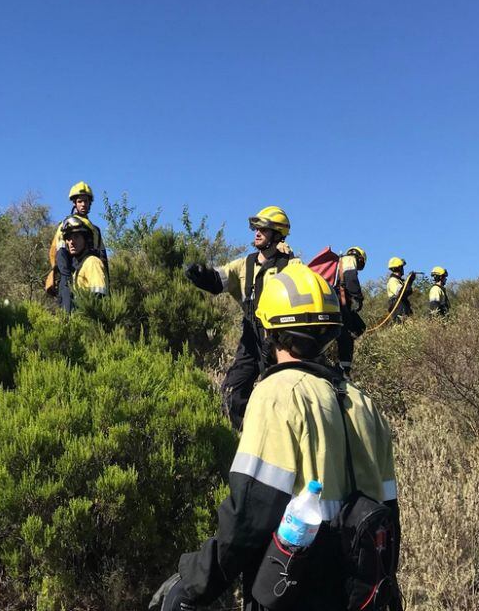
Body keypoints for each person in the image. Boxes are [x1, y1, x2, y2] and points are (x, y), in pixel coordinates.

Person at [151, 264, 400, 611]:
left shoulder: (277, 393)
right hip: (363, 592)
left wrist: (193, 583)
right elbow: (389, 512)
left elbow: (250, 516)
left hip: (299, 591)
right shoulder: (363, 402)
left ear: (268, 329)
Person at [184, 206, 298, 430]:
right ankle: (240, 437)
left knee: (279, 398)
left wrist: (291, 258)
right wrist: (202, 276)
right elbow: (219, 280)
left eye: (263, 229)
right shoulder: (243, 264)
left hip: (280, 341)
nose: (256, 233)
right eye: (255, 228)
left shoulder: (292, 266)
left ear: (277, 235)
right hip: (250, 338)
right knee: (231, 393)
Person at [48, 181, 107, 294]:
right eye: (80, 201)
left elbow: (103, 259)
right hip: (73, 274)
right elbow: (61, 254)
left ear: (90, 203)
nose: (83, 204)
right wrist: (66, 283)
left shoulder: (96, 230)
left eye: (86, 201)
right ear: (74, 203)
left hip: (93, 272)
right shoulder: (66, 225)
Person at [56, 215, 108, 311]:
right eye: (68, 238)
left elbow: (98, 300)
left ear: (86, 239)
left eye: (76, 237)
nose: (71, 242)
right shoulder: (78, 268)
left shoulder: (92, 262)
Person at [336, 246, 367, 376]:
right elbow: (351, 279)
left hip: (336, 300)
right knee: (348, 333)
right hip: (339, 301)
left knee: (355, 328)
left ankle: (341, 365)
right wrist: (358, 298)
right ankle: (344, 370)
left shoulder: (339, 262)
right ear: (360, 258)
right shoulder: (348, 260)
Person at [386, 257, 413, 322]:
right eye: (402, 267)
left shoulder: (398, 281)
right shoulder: (393, 280)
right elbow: (401, 293)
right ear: (399, 268)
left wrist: (410, 281)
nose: (403, 269)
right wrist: (409, 281)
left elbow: (406, 291)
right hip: (399, 312)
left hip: (403, 311)